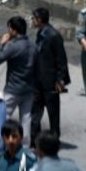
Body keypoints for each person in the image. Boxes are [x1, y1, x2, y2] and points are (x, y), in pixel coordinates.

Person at [29, 8, 70, 146]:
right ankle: (35, 141)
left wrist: (60, 79)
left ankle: (54, 141)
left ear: (39, 19)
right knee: (35, 114)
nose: (32, 21)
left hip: (50, 82)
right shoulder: (41, 33)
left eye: (34, 18)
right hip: (38, 82)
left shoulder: (53, 36)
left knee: (53, 115)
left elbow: (61, 60)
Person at [0, 16, 37, 140]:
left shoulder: (14, 47)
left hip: (13, 89)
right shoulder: (33, 46)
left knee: (3, 117)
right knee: (26, 118)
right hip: (29, 89)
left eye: (9, 29)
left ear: (14, 30)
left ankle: (1, 142)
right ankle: (25, 147)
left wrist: (1, 44)